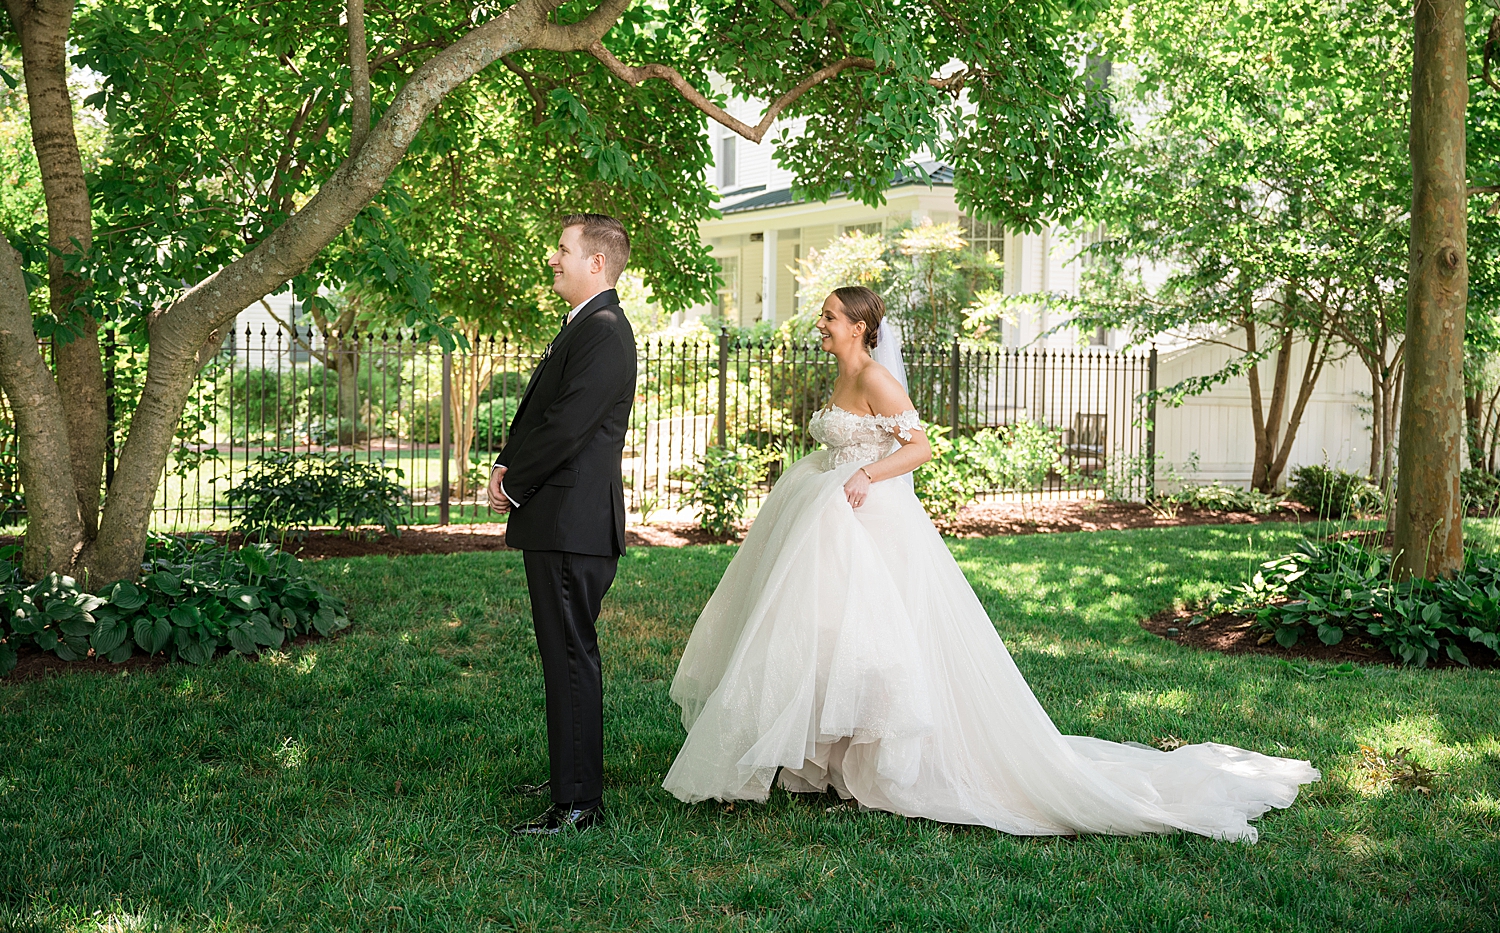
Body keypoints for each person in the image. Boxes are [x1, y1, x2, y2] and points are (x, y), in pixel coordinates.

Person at [663, 285, 1318, 841]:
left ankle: (878, 766)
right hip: (831, 519)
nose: (822, 324)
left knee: (874, 642)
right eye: (825, 316)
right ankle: (833, 764)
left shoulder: (874, 377)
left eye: (831, 316)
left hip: (869, 523)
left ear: (860, 327)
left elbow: (919, 448)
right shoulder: (842, 374)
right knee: (825, 639)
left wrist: (866, 474)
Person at [489, 214, 636, 836]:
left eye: (564, 250)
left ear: (596, 262)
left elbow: (569, 425)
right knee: (563, 656)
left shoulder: (604, 330)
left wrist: (513, 482)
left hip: (572, 524)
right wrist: (505, 462)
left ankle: (578, 806)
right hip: (559, 520)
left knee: (571, 658)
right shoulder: (584, 325)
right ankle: (570, 773)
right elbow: (542, 411)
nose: (554, 258)